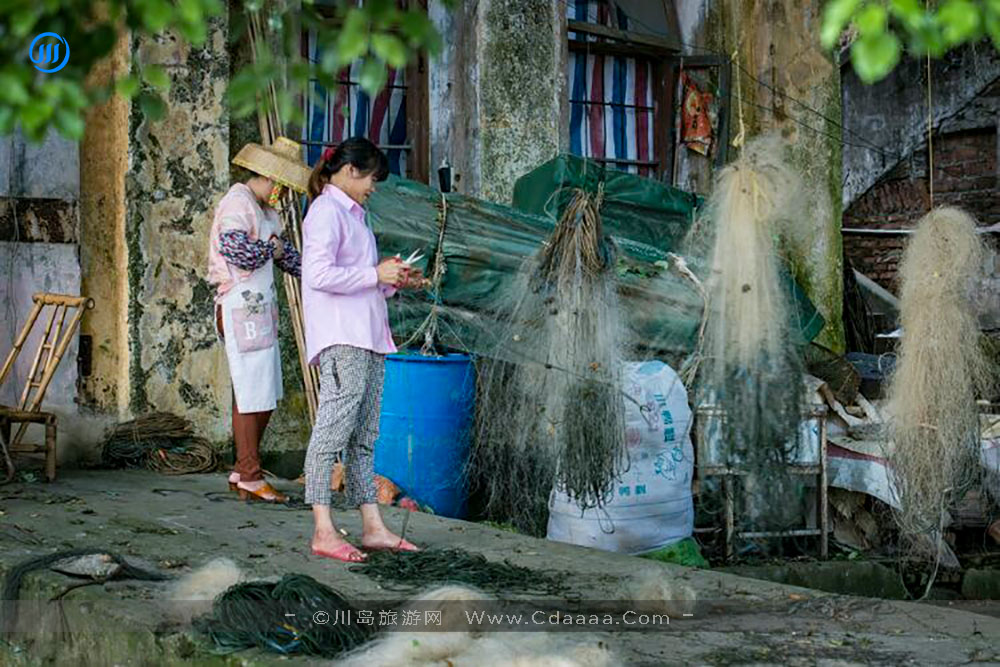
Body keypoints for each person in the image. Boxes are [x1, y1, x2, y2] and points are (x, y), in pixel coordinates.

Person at [301, 137, 425, 562]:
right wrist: (374, 272)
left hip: (369, 336)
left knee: (364, 437)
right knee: (331, 434)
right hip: (342, 337)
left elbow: (360, 280)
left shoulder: (356, 216)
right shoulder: (325, 211)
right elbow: (317, 274)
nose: (375, 186)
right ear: (351, 170)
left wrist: (390, 279)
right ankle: (322, 528)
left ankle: (372, 526)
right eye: (373, 177)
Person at [207, 137, 312, 503]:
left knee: (261, 391)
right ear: (272, 180)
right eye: (283, 188)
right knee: (252, 393)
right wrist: (273, 248)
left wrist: (318, 274)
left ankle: (242, 469)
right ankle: (251, 474)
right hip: (240, 308)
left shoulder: (263, 209)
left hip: (256, 310)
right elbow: (236, 250)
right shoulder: (238, 201)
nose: (283, 196)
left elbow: (286, 258)